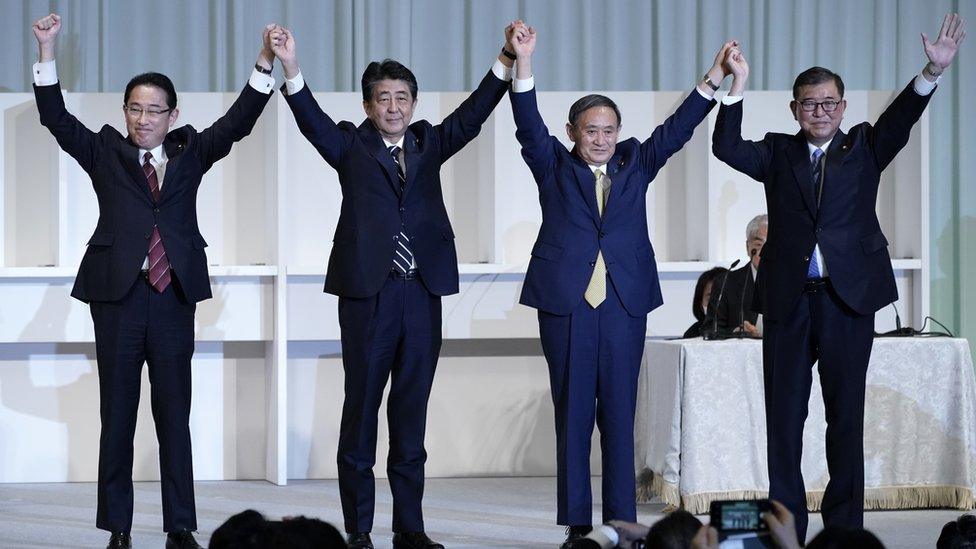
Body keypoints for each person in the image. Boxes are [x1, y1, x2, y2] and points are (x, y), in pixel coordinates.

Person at [711, 13, 966, 541]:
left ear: (843, 108)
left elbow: (901, 119)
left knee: (844, 418)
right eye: (809, 103)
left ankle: (845, 530)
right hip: (787, 302)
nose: (820, 112)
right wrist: (735, 86)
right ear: (795, 109)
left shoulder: (866, 146)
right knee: (784, 422)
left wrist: (931, 73)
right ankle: (785, 529)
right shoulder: (779, 151)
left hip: (848, 300)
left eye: (829, 103)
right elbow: (726, 147)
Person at [30, 13, 278, 549]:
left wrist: (264, 61)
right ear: (124, 112)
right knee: (116, 416)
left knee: (174, 416)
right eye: (135, 109)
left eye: (154, 110)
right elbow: (54, 117)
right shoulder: (104, 151)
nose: (144, 119)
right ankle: (118, 527)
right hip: (116, 298)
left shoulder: (190, 153)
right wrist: (47, 50)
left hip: (172, 298)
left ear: (172, 114)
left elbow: (238, 122)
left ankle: (180, 527)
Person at [268, 23, 517, 549]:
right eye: (384, 98)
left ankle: (410, 527)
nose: (394, 107)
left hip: (421, 293)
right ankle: (359, 529)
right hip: (369, 296)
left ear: (414, 102)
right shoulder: (349, 146)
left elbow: (472, 116)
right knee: (361, 411)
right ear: (367, 105)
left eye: (403, 97)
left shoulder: (428, 143)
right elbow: (308, 118)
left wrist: (506, 58)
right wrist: (290, 66)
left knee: (410, 413)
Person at [506, 22, 737, 547]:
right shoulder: (552, 167)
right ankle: (577, 526)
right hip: (567, 304)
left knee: (618, 412)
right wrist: (523, 62)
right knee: (573, 414)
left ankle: (621, 524)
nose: (602, 139)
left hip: (623, 304)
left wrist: (715, 77)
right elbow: (526, 124)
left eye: (609, 130)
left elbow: (677, 130)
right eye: (591, 130)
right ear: (572, 132)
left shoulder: (636, 165)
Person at [715, 214, 767, 336]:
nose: (765, 252)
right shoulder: (726, 283)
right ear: (747, 247)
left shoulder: (796, 282)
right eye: (758, 245)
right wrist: (735, 332)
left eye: (770, 245)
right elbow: (711, 328)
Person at [683, 266, 728, 338]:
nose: (719, 303)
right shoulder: (692, 334)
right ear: (701, 304)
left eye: (724, 297)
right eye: (712, 298)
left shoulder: (747, 330)